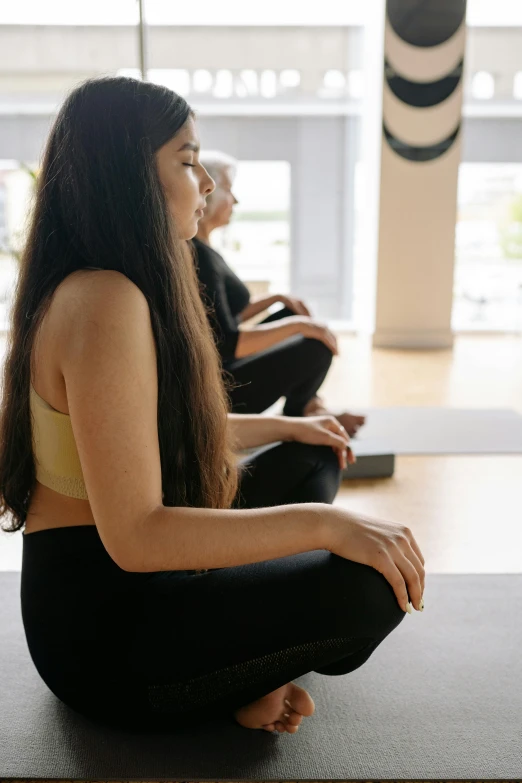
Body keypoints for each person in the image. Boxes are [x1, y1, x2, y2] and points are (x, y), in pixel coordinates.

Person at [0, 76, 425, 737]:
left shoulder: (118, 285)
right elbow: (137, 535)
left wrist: (293, 424)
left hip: (146, 587)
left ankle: (235, 677)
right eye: (187, 159)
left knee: (316, 452)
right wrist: (324, 525)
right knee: (365, 588)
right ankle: (226, 684)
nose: (204, 183)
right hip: (101, 634)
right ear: (127, 173)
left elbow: (153, 434)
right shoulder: (103, 299)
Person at [192, 150, 366, 437]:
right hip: (222, 389)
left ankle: (310, 405)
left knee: (292, 315)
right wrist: (302, 326)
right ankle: (303, 412)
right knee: (315, 345)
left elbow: (223, 316)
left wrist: (278, 300)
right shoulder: (200, 256)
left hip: (224, 366)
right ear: (209, 194)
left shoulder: (204, 248)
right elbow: (228, 342)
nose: (235, 201)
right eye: (230, 191)